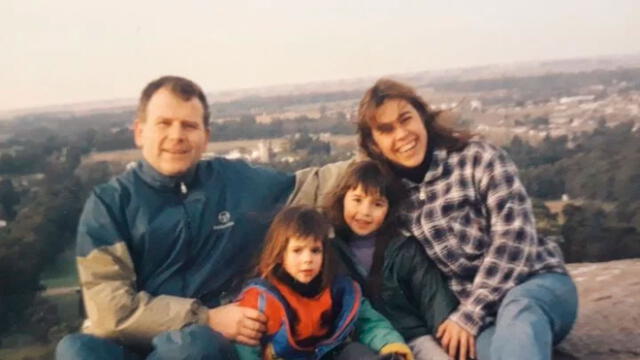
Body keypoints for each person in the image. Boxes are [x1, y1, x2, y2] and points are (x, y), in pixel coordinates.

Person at [55, 76, 339, 359]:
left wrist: (378, 149)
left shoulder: (236, 181)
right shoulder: (110, 204)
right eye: (164, 123)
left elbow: (312, 185)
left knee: (192, 347)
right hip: (140, 341)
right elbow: (110, 310)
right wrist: (206, 318)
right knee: (76, 350)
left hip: (207, 347)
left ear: (206, 137)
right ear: (140, 132)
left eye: (189, 125)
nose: (177, 135)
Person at [354, 78, 578, 360]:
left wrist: (471, 312)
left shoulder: (477, 157)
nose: (401, 135)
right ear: (374, 144)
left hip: (533, 284)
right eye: (386, 130)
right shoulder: (390, 197)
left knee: (519, 312)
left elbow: (514, 240)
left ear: (422, 117)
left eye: (405, 119)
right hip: (477, 319)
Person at [234, 205, 413, 360]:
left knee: (354, 351)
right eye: (297, 251)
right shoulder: (261, 299)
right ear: (281, 254)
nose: (307, 259)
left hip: (329, 354)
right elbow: (246, 348)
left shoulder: (339, 290)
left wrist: (392, 345)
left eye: (315, 251)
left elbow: (370, 322)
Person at [323, 160, 458, 360]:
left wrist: (450, 338)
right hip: (361, 342)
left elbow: (433, 299)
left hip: (413, 336)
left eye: (377, 204)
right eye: (357, 200)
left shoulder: (404, 249)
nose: (365, 212)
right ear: (342, 199)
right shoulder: (330, 250)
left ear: (389, 209)